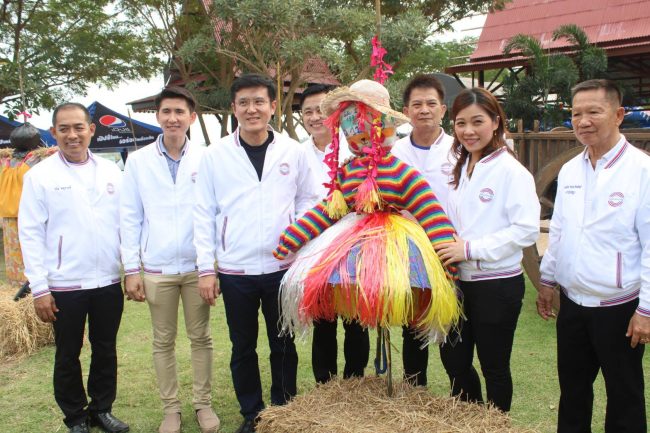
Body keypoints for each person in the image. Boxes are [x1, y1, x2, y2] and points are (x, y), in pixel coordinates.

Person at [273, 79, 461, 360]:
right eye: (354, 134)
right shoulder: (348, 173)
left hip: (395, 245)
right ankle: (350, 375)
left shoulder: (402, 173)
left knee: (400, 304)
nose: (360, 139)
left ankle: (402, 375)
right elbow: (329, 209)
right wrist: (296, 234)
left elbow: (429, 210)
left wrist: (446, 256)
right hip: (353, 241)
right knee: (352, 307)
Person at [193, 73, 320, 433]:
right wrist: (206, 269)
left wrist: (299, 237)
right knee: (242, 346)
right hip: (236, 270)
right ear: (234, 108)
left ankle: (284, 411)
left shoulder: (292, 151)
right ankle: (252, 413)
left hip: (283, 266)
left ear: (273, 107)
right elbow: (203, 212)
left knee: (283, 344)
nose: (253, 109)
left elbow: (309, 199)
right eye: (244, 103)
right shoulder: (215, 155)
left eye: (259, 102)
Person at [538, 79, 649, 433]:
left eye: (593, 112)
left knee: (624, 394)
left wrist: (646, 311)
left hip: (619, 306)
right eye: (575, 113)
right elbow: (559, 231)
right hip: (572, 305)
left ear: (617, 115)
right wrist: (546, 279)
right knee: (573, 391)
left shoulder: (642, 170)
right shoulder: (570, 170)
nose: (583, 121)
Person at [18, 103, 128, 433]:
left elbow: (126, 224)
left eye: (78, 127)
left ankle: (102, 408)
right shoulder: (40, 176)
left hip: (107, 279)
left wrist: (131, 268)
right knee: (68, 353)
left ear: (91, 129)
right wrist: (39, 287)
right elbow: (31, 233)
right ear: (54, 133)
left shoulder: (112, 172)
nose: (72, 135)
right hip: (64, 283)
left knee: (105, 349)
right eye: (64, 129)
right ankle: (76, 416)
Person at [120, 86, 219, 433]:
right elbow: (130, 217)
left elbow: (214, 213)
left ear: (192, 117)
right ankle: (171, 410)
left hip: (196, 269)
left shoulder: (207, 158)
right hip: (157, 269)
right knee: (162, 342)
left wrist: (211, 264)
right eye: (166, 112)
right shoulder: (139, 160)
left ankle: (203, 405)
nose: (173, 118)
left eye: (180, 112)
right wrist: (132, 269)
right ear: (158, 117)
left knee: (201, 338)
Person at [435, 87, 539, 412]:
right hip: (455, 282)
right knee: (455, 361)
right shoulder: (461, 165)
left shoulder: (511, 171)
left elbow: (525, 229)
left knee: (494, 366)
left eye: (477, 121)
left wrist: (470, 249)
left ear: (495, 122)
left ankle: (496, 424)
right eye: (460, 123)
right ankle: (470, 418)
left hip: (496, 285)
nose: (468, 131)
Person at [300, 84, 370, 384]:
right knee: (323, 319)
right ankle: (324, 386)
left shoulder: (356, 147)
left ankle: (355, 382)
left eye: (321, 110)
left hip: (354, 246)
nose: (315, 117)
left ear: (335, 114)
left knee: (357, 320)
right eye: (307, 111)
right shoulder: (296, 153)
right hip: (313, 247)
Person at [391, 74, 454, 387]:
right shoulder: (394, 152)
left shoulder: (460, 150)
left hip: (448, 249)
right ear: (406, 110)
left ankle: (461, 394)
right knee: (412, 325)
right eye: (417, 104)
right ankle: (414, 390)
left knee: (450, 324)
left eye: (431, 103)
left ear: (443, 109)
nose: (424, 110)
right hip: (408, 250)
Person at [0, 123, 54, 285]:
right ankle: (24, 285)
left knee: (21, 252)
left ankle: (25, 284)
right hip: (23, 213)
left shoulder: (5, 160)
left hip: (12, 213)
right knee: (26, 251)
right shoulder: (35, 159)